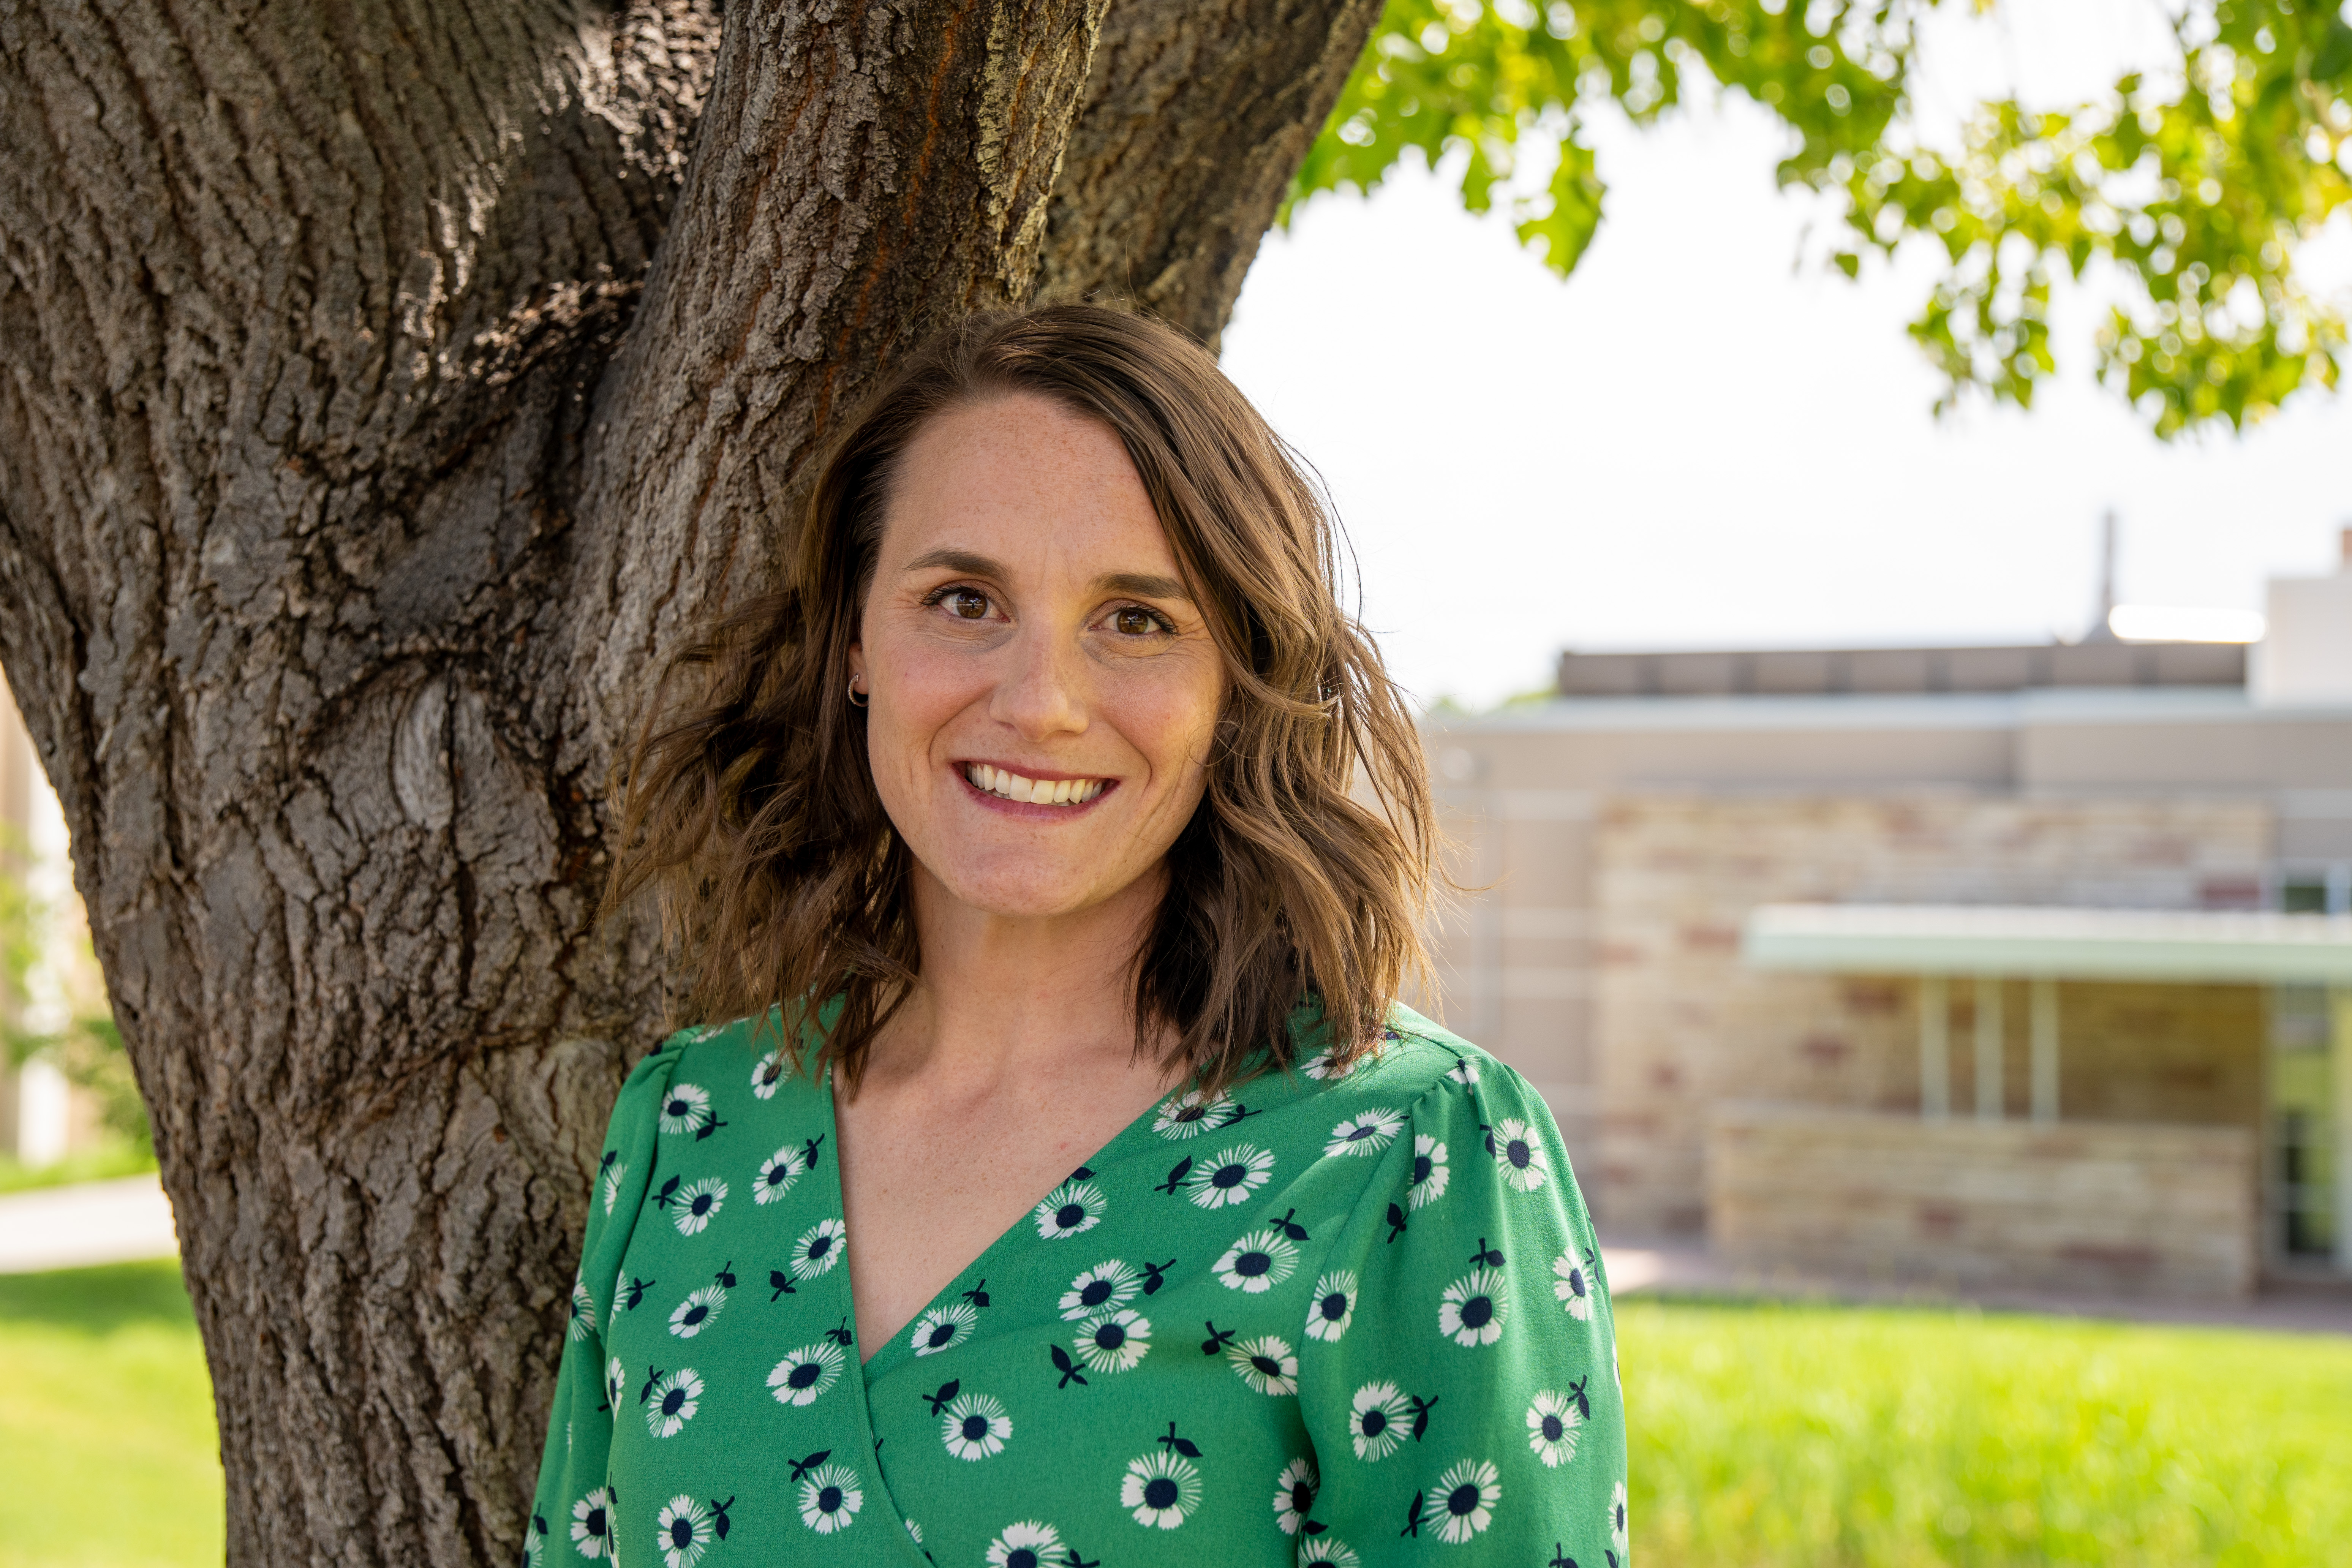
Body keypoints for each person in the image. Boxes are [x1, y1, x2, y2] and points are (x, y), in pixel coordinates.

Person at [527, 305, 1627, 1568]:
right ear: (854, 645)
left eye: (1138, 621)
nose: (1040, 703)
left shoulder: (1409, 1152)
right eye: (962, 599)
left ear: (1235, 685)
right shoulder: (689, 1125)